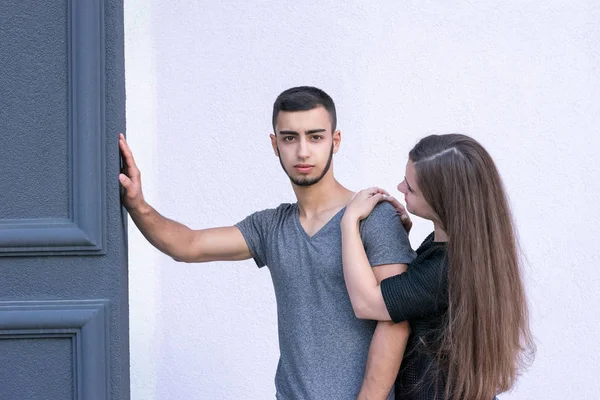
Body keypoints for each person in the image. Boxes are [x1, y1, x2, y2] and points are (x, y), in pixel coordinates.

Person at [119, 86, 416, 399]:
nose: (303, 151)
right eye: (290, 138)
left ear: (335, 141)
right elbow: (188, 245)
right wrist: (137, 203)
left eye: (315, 137)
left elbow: (396, 322)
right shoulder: (271, 227)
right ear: (275, 144)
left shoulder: (373, 216)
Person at [340, 134, 535, 400]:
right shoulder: (472, 251)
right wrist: (404, 244)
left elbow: (367, 303)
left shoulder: (447, 269)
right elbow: (425, 296)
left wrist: (349, 222)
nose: (399, 187)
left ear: (443, 201)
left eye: (410, 188)